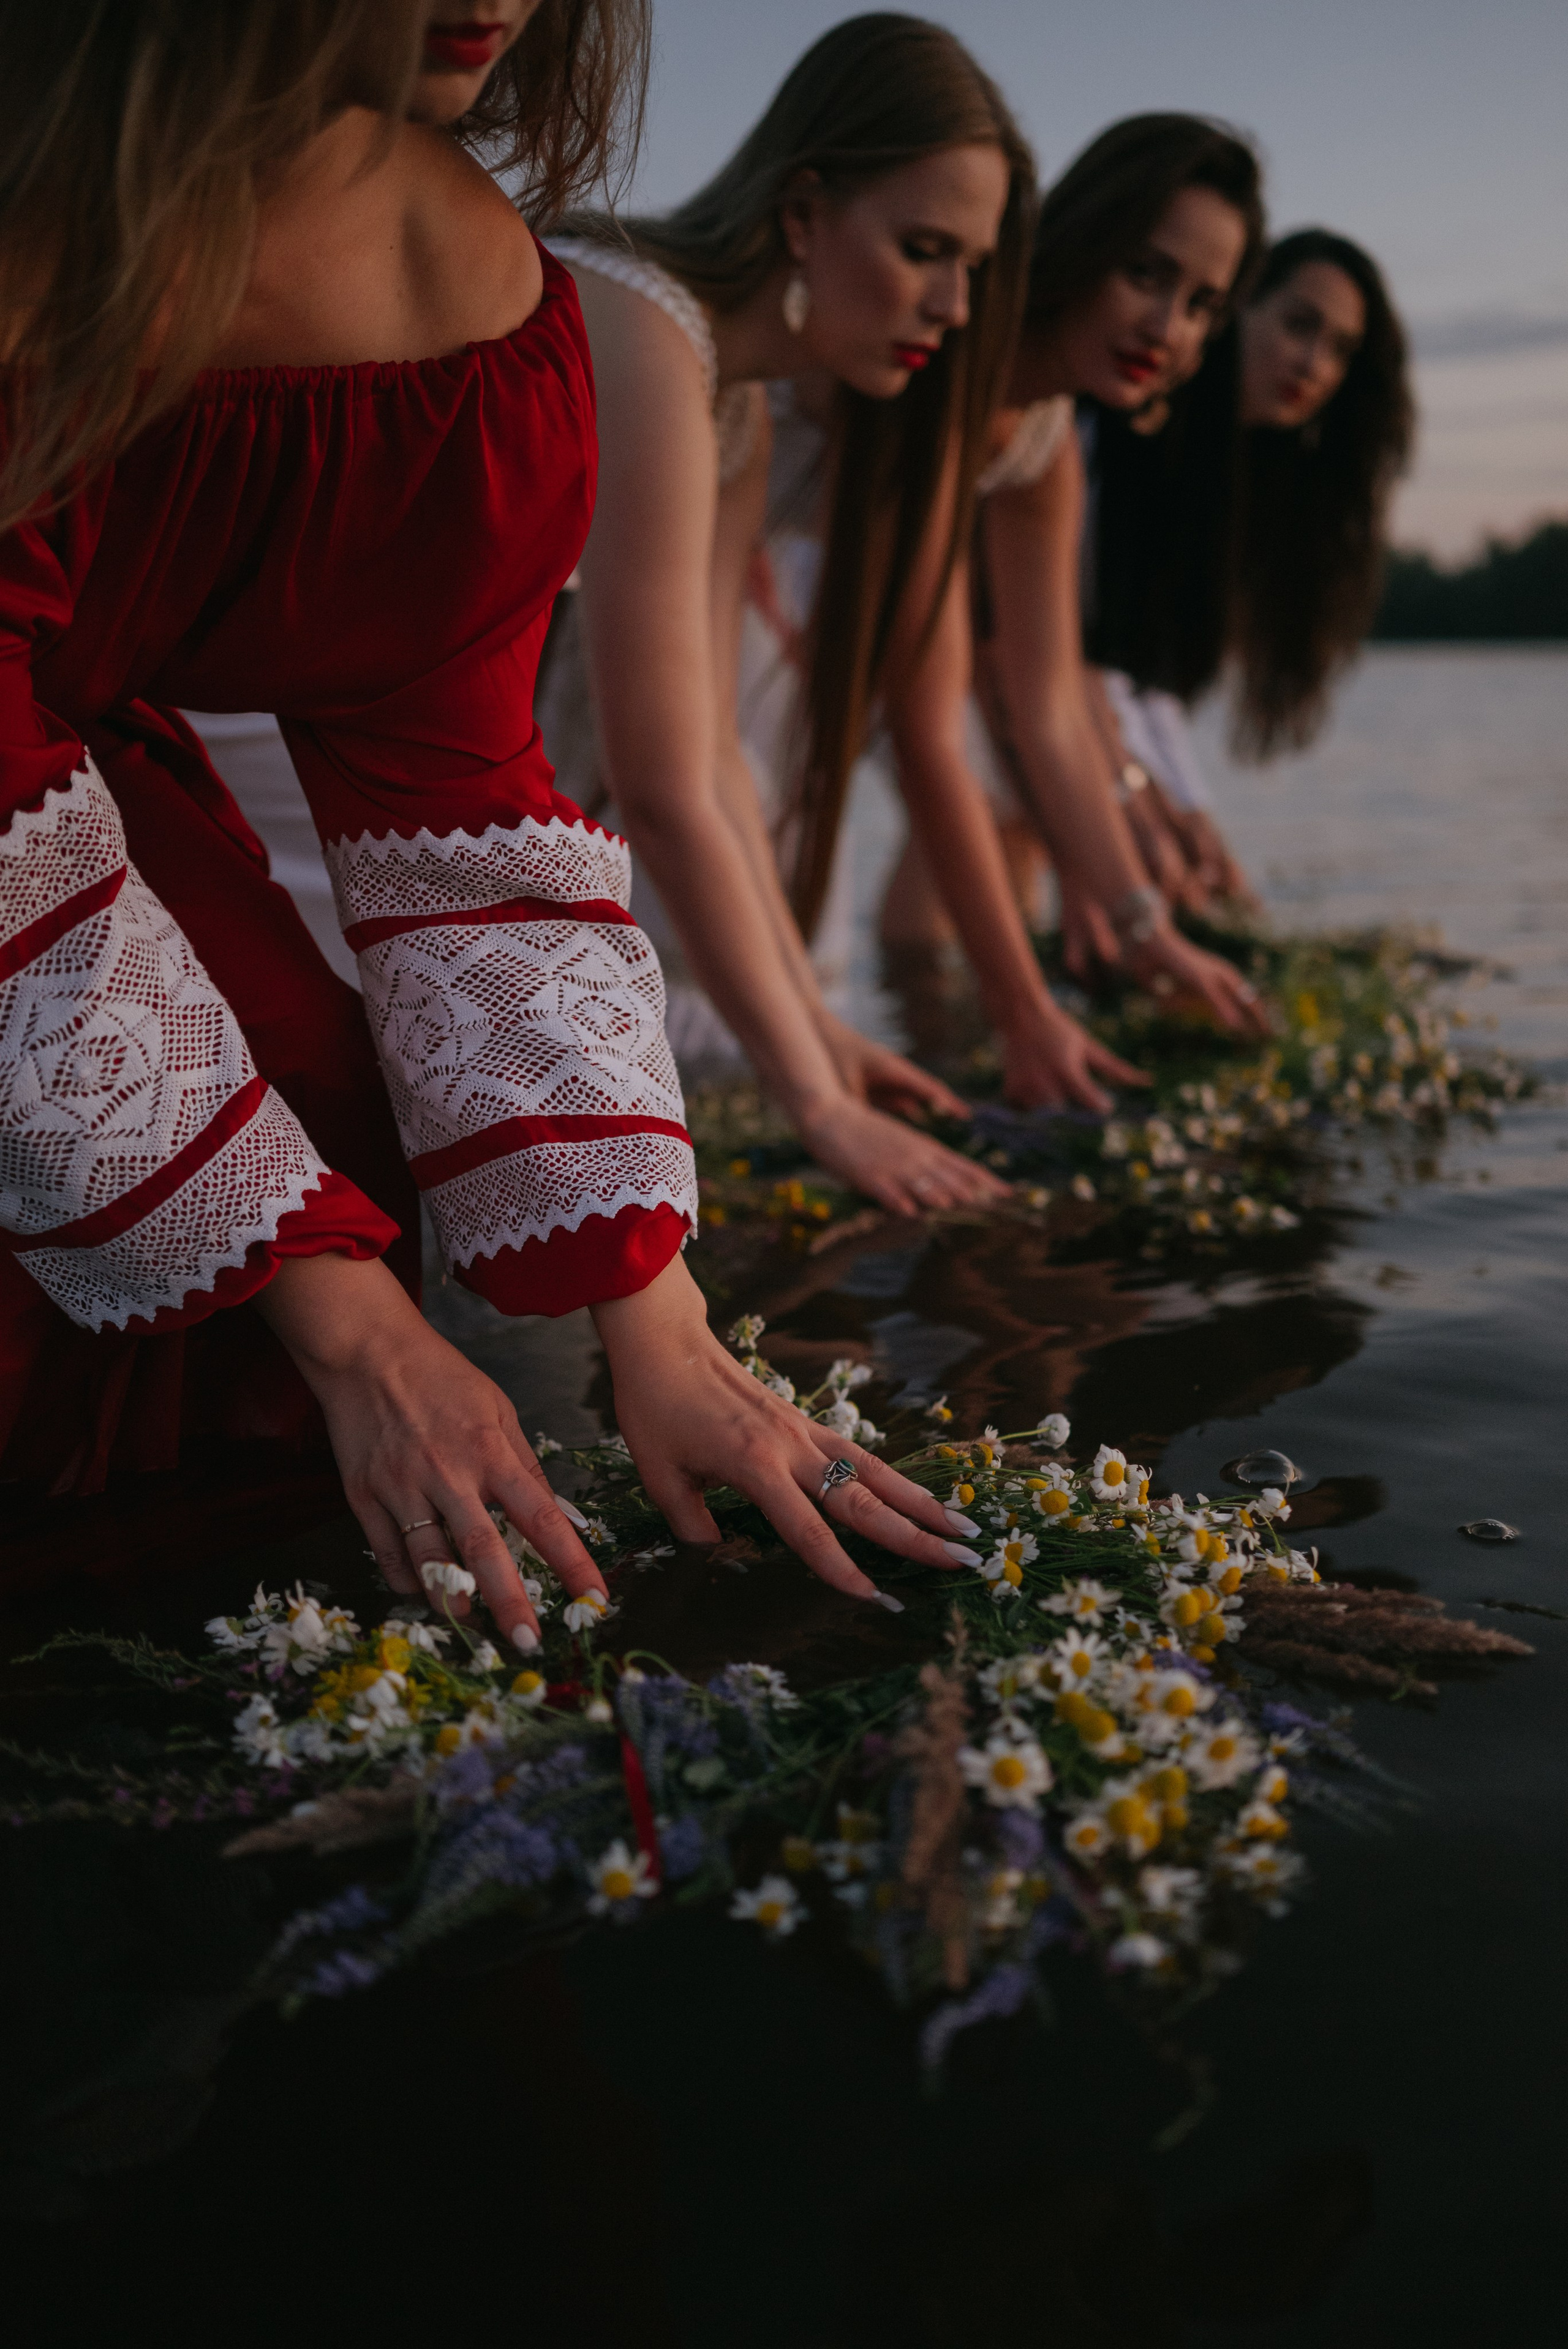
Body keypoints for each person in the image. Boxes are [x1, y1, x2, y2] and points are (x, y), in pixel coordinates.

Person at [0, 1, 978, 1633]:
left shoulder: (457, 286)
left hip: (72, 750)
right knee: (275, 1217)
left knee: (314, 1107)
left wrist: (658, 1329)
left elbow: (450, 790)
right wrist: (365, 1331)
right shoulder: (37, 199)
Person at [541, 12, 1144, 1182]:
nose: (958, 307)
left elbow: (711, 756)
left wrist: (818, 1037)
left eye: (973, 267)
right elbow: (659, 789)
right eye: (926, 249)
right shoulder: (649, 325)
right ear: (804, 214)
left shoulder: (731, 404)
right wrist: (818, 1106)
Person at [876, 113, 1272, 1023]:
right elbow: (933, 723)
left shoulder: (1046, 447)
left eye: (1203, 304)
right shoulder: (948, 370)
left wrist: (1146, 928)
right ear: (1087, 234)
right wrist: (1025, 1012)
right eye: (1148, 273)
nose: (1167, 328)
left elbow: (1050, 705)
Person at [1083, 225, 1414, 897]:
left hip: (1070, 701)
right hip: (1006, 677)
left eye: (1341, 351)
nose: (1314, 366)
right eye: (1298, 325)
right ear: (1235, 310)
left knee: (1176, 872)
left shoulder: (1251, 484)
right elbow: (1081, 647)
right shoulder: (1127, 427)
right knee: (1017, 823)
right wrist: (1134, 790)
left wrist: (1191, 815)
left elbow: (1151, 685)